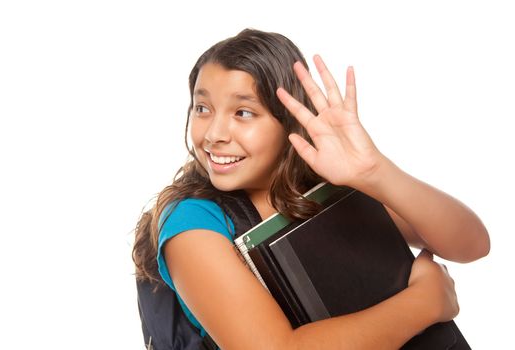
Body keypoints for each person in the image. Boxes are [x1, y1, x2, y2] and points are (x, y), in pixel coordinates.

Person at [133, 28, 490, 349]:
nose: (213, 134)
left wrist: (376, 172)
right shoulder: (192, 222)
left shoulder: (326, 181)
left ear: (289, 119)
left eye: (243, 112)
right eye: (202, 108)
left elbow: (471, 244)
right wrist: (424, 304)